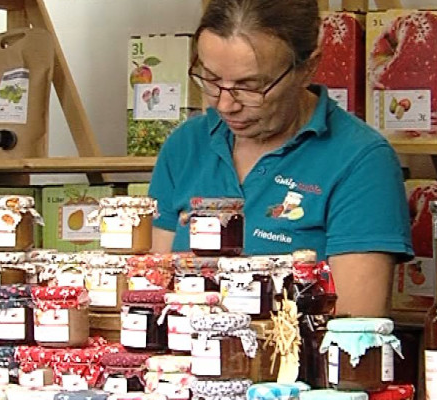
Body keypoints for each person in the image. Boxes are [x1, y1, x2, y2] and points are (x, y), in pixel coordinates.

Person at [147, 0, 412, 317]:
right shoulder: (185, 146)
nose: (225, 105)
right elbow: (153, 294)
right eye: (211, 79)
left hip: (297, 365)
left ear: (308, 68)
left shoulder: (361, 161)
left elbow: (353, 332)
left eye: (250, 87)